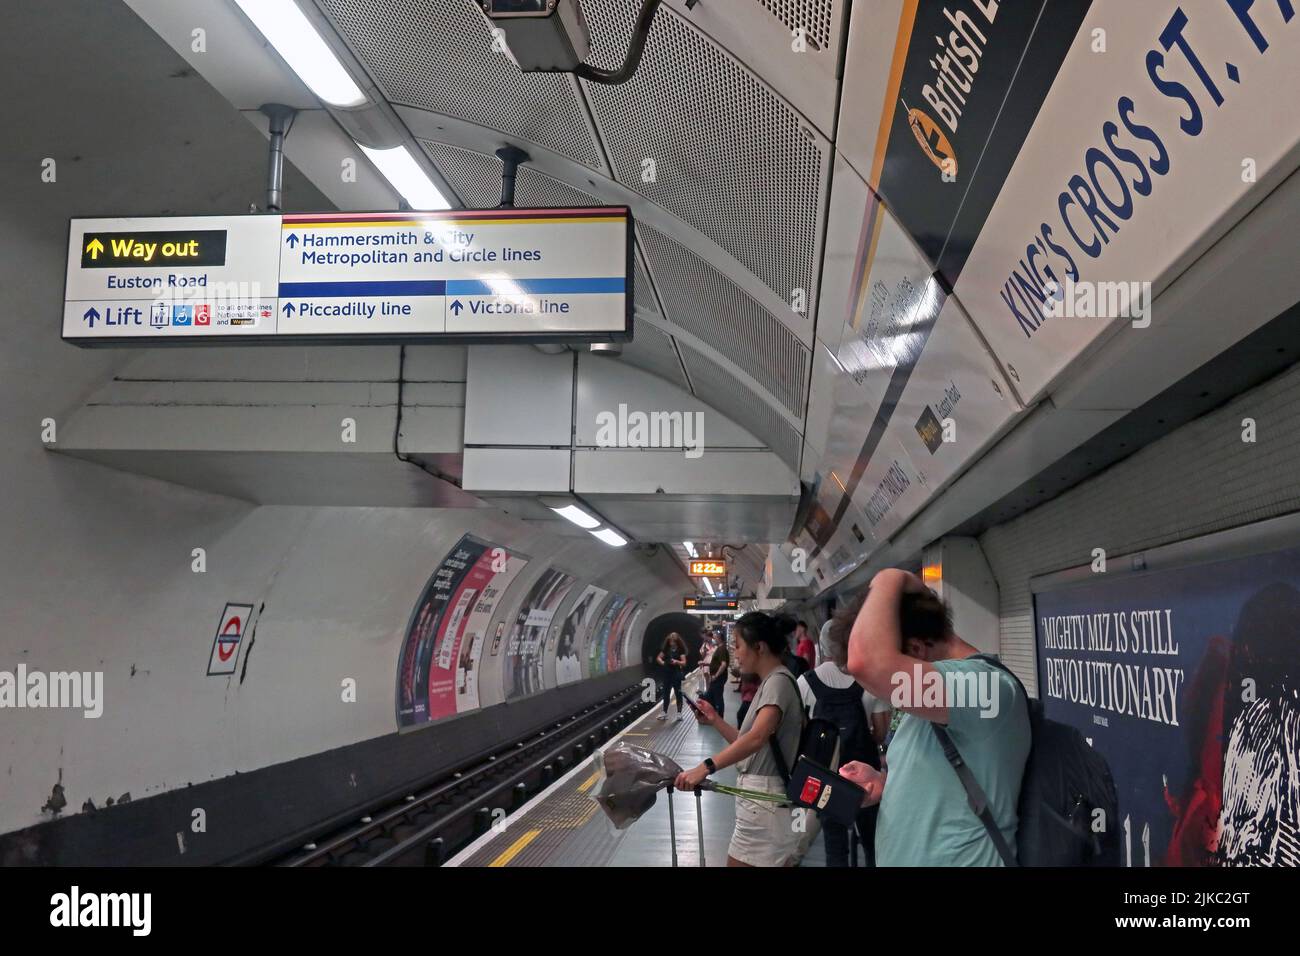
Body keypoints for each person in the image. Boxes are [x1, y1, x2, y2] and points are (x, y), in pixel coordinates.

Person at [837, 569, 1031, 866]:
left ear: (915, 649)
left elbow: (866, 662)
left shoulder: (985, 689)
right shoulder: (935, 703)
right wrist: (884, 783)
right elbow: (946, 783)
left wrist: (890, 576)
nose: (881, 692)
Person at [674, 611, 803, 866]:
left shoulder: (778, 682)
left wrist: (705, 767)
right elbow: (751, 743)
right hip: (759, 800)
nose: (736, 653)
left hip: (763, 802)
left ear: (760, 647)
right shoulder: (772, 682)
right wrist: (715, 720)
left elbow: (755, 739)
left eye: (738, 646)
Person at [796, 618, 889, 866]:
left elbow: (801, 733)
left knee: (834, 844)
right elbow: (881, 732)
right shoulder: (871, 680)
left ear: (823, 645)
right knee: (872, 842)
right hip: (867, 774)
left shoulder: (805, 682)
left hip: (828, 773)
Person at [655, 633, 688, 721]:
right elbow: (658, 658)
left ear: (677, 642)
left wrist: (676, 662)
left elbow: (684, 662)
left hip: (676, 674)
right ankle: (664, 712)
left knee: (678, 693)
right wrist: (663, 663)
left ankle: (679, 713)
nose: (671, 643)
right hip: (667, 673)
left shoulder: (680, 650)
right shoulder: (666, 650)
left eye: (673, 641)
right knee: (666, 693)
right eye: (670, 641)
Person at [702, 644, 729, 719]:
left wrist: (716, 676)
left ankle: (720, 718)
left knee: (718, 697)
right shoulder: (719, 648)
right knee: (711, 695)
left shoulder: (721, 649)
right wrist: (705, 663)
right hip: (715, 678)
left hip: (718, 678)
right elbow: (717, 663)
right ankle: (712, 715)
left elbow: (723, 665)